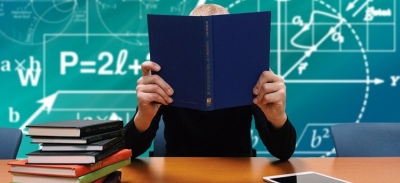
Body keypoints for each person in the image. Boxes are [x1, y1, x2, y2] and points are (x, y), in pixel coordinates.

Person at [124, 4, 296, 160]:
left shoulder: (250, 75)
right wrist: (143, 117)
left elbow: (283, 152)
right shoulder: (164, 74)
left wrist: (277, 117)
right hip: (178, 173)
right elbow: (128, 151)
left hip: (237, 174)